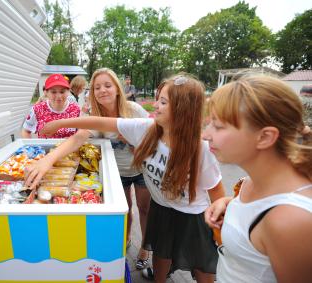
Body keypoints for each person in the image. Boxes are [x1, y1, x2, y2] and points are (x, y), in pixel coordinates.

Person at [36, 74, 225, 283]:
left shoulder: (201, 149)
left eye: (163, 102)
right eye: (157, 99)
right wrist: (59, 123)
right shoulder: (145, 128)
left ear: (183, 109)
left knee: (202, 267)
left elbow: (216, 190)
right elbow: (99, 121)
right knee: (161, 254)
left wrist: (220, 227)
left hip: (192, 217)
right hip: (161, 208)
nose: (155, 106)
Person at [25, 68, 152, 269]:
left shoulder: (134, 110)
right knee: (126, 211)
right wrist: (49, 159)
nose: (103, 90)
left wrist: (133, 142)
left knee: (145, 210)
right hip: (117, 173)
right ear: (92, 92)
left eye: (107, 85)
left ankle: (145, 247)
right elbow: (78, 137)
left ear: (117, 89)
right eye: (97, 87)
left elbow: (155, 137)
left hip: (142, 170)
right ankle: (126, 239)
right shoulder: (93, 114)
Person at [203, 75, 312, 283]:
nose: (205, 135)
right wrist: (226, 203)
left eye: (217, 126)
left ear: (265, 137)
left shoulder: (290, 221)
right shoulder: (254, 181)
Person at [21, 73, 80, 138]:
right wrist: (31, 147)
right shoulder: (37, 109)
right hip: (44, 148)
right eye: (53, 92)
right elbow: (26, 131)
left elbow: (82, 132)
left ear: (68, 91)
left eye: (62, 92)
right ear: (46, 92)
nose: (58, 96)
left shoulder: (76, 110)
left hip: (70, 148)